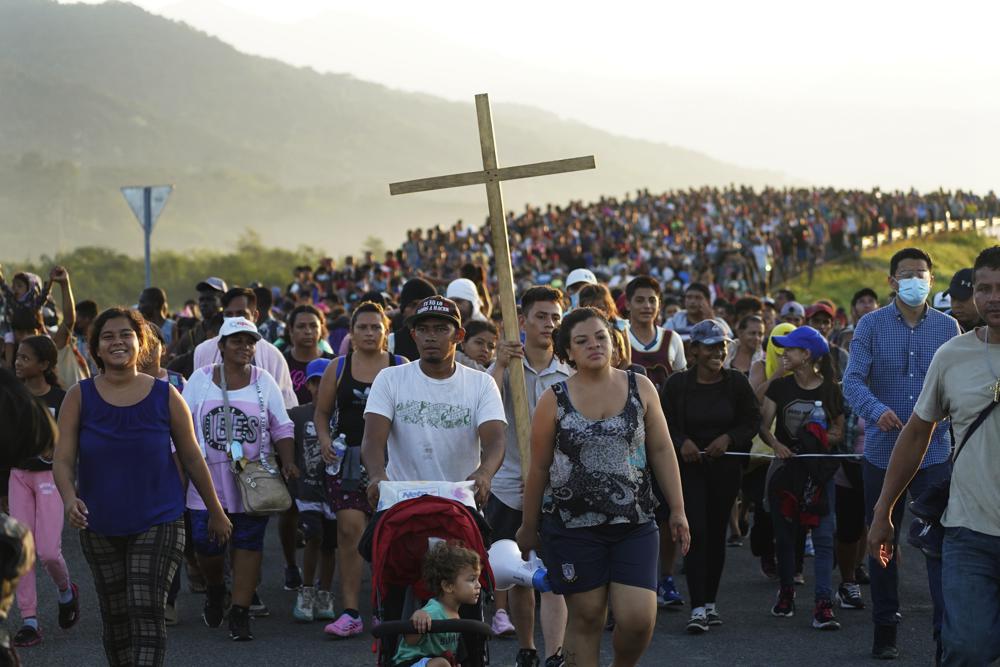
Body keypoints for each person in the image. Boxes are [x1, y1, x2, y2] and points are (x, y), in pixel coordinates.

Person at [53, 307, 232, 666]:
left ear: (141, 343)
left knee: (146, 608)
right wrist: (70, 498)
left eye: (126, 335)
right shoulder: (79, 396)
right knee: (116, 617)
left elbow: (194, 458)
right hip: (98, 523)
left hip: (159, 519)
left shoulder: (166, 395)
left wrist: (215, 510)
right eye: (108, 336)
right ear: (97, 349)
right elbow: (63, 459)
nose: (117, 341)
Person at [516, 307, 690, 667]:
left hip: (636, 522)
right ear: (568, 351)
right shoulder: (554, 399)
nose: (593, 345)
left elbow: (661, 449)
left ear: (614, 342)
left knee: (639, 619)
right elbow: (539, 469)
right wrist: (528, 526)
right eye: (582, 341)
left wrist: (677, 509)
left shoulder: (640, 387)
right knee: (588, 615)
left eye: (600, 337)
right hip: (572, 526)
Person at [869, 246, 1000, 667]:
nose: (993, 297)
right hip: (969, 532)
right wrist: (883, 510)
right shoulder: (953, 355)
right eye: (984, 288)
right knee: (965, 648)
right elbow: (916, 434)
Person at [843, 247, 961, 659]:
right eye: (907, 274)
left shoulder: (949, 328)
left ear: (931, 279)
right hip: (881, 450)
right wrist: (878, 411)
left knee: (938, 546)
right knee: (882, 538)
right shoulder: (871, 326)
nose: (915, 281)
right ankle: (885, 627)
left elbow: (958, 387)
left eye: (922, 274)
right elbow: (852, 381)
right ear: (892, 281)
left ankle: (944, 635)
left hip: (934, 454)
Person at [182, 316, 297, 641]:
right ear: (221, 346)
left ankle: (241, 611)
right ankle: (216, 588)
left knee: (248, 542)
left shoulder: (264, 381)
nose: (244, 347)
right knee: (207, 545)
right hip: (206, 478)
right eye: (236, 341)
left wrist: (288, 461)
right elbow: (183, 425)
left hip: (252, 479)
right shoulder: (200, 380)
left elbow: (282, 425)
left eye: (249, 342)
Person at [486, 286, 570, 667]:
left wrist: (548, 477)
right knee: (519, 573)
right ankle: (527, 648)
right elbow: (481, 406)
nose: (549, 324)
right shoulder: (504, 367)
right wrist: (500, 364)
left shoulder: (569, 370)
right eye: (541, 316)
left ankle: (554, 653)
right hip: (508, 486)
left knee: (553, 575)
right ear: (522, 321)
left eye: (555, 317)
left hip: (556, 488)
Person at [315, 301, 407, 638]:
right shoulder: (337, 368)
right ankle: (351, 611)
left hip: (390, 464)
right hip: (347, 462)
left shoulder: (400, 366)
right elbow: (322, 412)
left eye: (375, 327)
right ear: (351, 333)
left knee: (388, 537)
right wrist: (324, 439)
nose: (369, 333)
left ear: (386, 333)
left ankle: (385, 608)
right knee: (350, 532)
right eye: (362, 327)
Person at [661, 320, 760, 633]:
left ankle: (711, 603)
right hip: (687, 470)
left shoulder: (736, 384)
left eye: (722, 346)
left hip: (724, 469)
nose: (718, 352)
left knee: (716, 534)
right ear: (694, 350)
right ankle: (697, 607)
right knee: (696, 532)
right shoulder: (677, 385)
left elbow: (751, 421)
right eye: (710, 346)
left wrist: (729, 439)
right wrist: (682, 442)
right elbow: (662, 423)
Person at [758, 326, 844, 630]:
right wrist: (778, 445)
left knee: (822, 537)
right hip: (786, 471)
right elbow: (764, 425)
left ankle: (823, 602)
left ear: (806, 355)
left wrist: (821, 438)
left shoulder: (831, 389)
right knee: (785, 535)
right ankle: (786, 592)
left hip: (820, 473)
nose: (784, 354)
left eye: (790, 349)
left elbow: (839, 430)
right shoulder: (779, 387)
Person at [7, 335, 78, 648]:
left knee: (48, 551)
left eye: (25, 358)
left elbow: (74, 443)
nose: (18, 363)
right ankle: (30, 620)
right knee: (22, 551)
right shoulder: (11, 396)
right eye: (17, 357)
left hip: (50, 478)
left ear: (45, 365)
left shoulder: (63, 398)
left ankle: (66, 590)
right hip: (17, 477)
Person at [288, 358, 337, 624]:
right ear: (308, 385)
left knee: (330, 544)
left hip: (334, 490)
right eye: (315, 382)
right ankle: (306, 590)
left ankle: (325, 592)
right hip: (306, 490)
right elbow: (285, 443)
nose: (321, 387)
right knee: (313, 537)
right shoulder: (297, 415)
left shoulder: (341, 415)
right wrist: (290, 466)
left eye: (326, 381)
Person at [192, 287, 297, 409]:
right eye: (229, 315)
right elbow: (196, 401)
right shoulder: (203, 351)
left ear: (255, 316)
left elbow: (286, 407)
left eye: (242, 314)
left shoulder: (273, 356)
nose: (235, 320)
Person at [392, 541, 483, 667]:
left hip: (434, 662)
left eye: (478, 579)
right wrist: (418, 616)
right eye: (472, 579)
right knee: (442, 663)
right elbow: (410, 640)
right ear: (448, 586)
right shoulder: (434, 611)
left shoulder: (455, 615)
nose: (479, 585)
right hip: (410, 663)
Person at [625, 276, 686, 392]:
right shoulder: (619, 339)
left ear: (659, 306)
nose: (647, 306)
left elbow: (682, 384)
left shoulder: (673, 338)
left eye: (652, 301)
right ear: (628, 304)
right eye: (639, 300)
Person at [283, 304, 335, 406]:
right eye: (301, 326)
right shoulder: (281, 362)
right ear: (291, 330)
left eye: (313, 326)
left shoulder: (335, 363)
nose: (308, 331)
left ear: (321, 328)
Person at [943, 268, 982, 332]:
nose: (956, 305)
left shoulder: (995, 322)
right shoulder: (941, 324)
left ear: (979, 295)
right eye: (953, 298)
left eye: (962, 298)